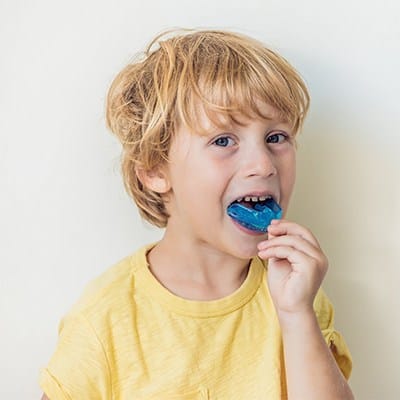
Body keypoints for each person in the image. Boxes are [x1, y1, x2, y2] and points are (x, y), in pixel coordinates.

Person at [39, 29, 354, 399]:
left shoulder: (296, 292)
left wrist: (298, 315)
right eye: (223, 141)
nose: (262, 164)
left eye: (276, 138)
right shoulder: (104, 320)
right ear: (156, 170)